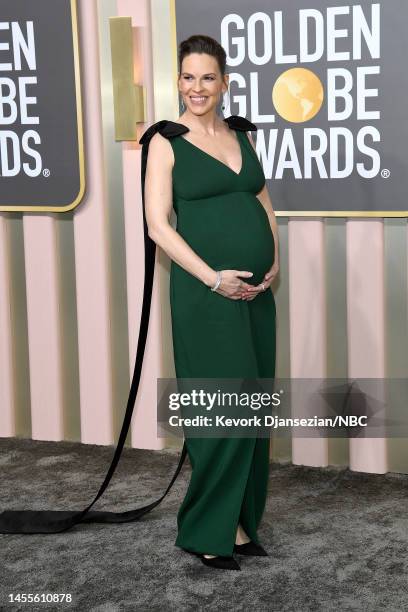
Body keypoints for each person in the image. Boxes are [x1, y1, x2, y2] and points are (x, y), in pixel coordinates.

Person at [144, 34, 279, 571]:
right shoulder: (164, 141)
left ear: (225, 83)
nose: (196, 87)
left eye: (207, 77)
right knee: (219, 407)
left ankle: (240, 523)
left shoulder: (241, 134)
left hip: (256, 293)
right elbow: (158, 225)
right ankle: (206, 530)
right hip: (206, 294)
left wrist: (275, 259)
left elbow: (261, 199)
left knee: (253, 404)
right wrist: (211, 278)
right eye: (187, 77)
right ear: (178, 81)